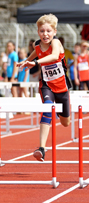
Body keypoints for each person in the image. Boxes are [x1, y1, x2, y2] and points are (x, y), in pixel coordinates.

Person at [17, 14, 72, 162]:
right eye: (42, 31)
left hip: (62, 87)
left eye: (48, 31)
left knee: (65, 123)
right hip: (46, 85)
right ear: (38, 32)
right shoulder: (37, 44)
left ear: (54, 32)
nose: (45, 34)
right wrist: (26, 61)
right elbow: (36, 51)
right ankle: (41, 148)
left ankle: (56, 114)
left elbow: (54, 56)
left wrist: (35, 63)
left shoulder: (56, 44)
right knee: (48, 108)